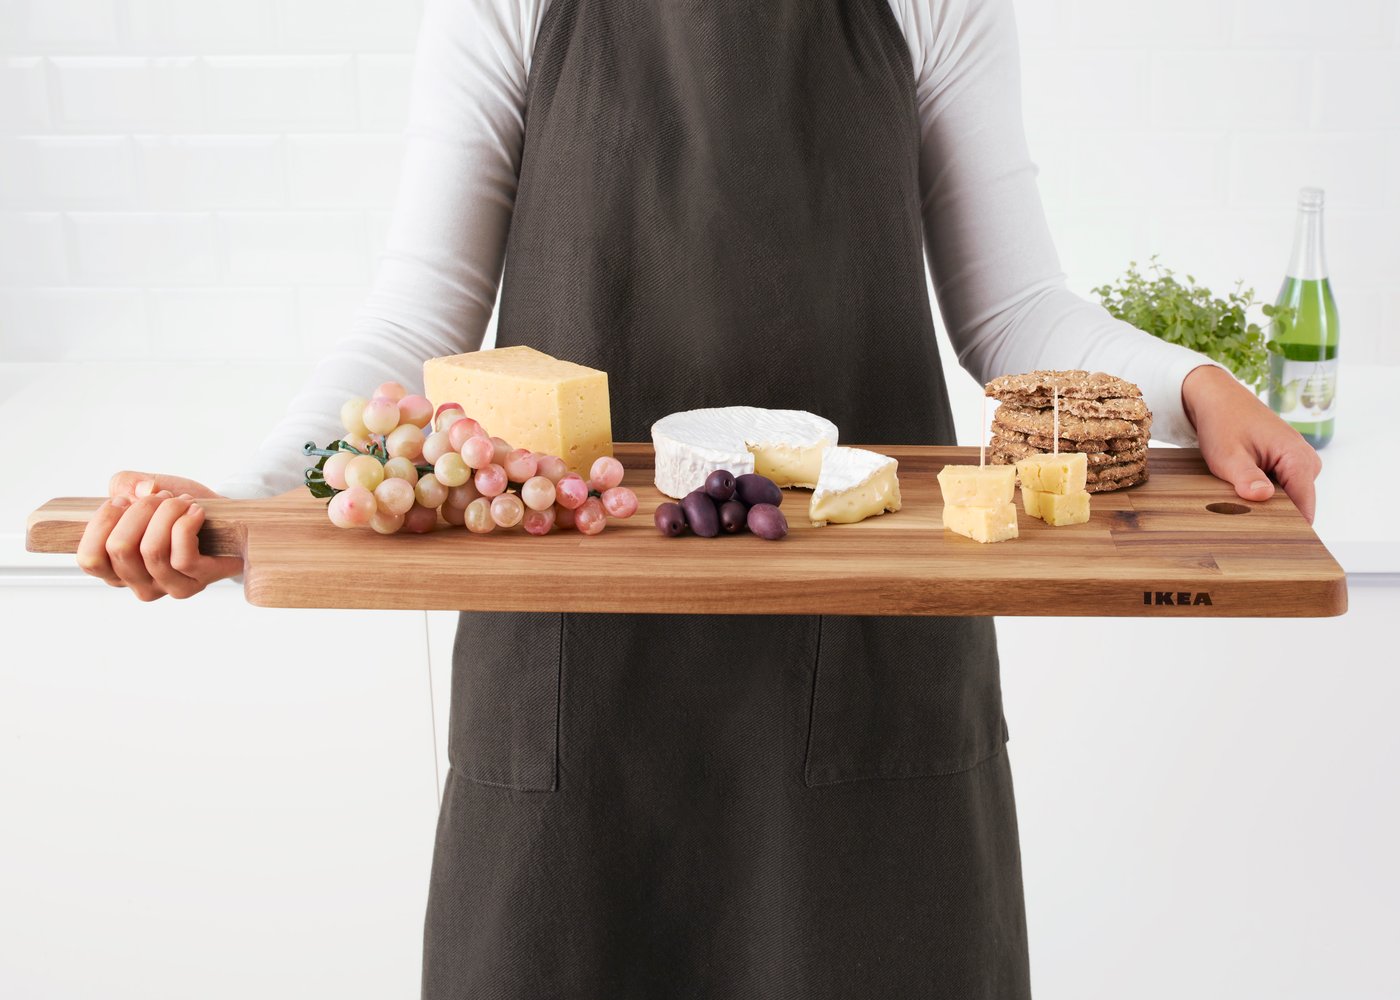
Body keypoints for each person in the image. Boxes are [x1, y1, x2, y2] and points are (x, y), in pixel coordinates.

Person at [76, 0, 1322, 996]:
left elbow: (1013, 312)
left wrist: (1190, 383)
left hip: (867, 673)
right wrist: (238, 496)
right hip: (577, 679)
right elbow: (418, 317)